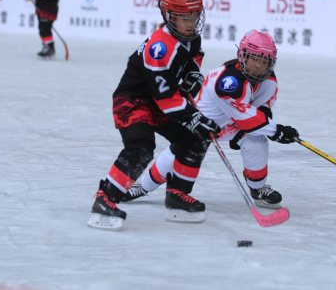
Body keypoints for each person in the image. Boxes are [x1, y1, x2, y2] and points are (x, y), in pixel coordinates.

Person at [88, 0, 221, 231]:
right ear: (169, 16)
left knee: (196, 139)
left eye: (194, 16)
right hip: (134, 101)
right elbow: (166, 98)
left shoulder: (191, 38)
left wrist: (192, 75)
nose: (191, 22)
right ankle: (105, 198)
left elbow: (193, 59)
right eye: (184, 17)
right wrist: (192, 117)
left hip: (160, 100)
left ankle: (176, 195)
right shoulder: (159, 47)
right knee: (141, 149)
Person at [128, 30, 299, 210]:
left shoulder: (269, 80)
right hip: (203, 123)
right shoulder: (228, 82)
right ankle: (143, 187)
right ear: (242, 55)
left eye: (264, 61)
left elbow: (262, 106)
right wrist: (276, 131)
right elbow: (246, 117)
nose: (258, 66)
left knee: (257, 141)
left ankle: (258, 189)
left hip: (234, 122)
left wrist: (269, 125)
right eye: (254, 58)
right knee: (178, 154)